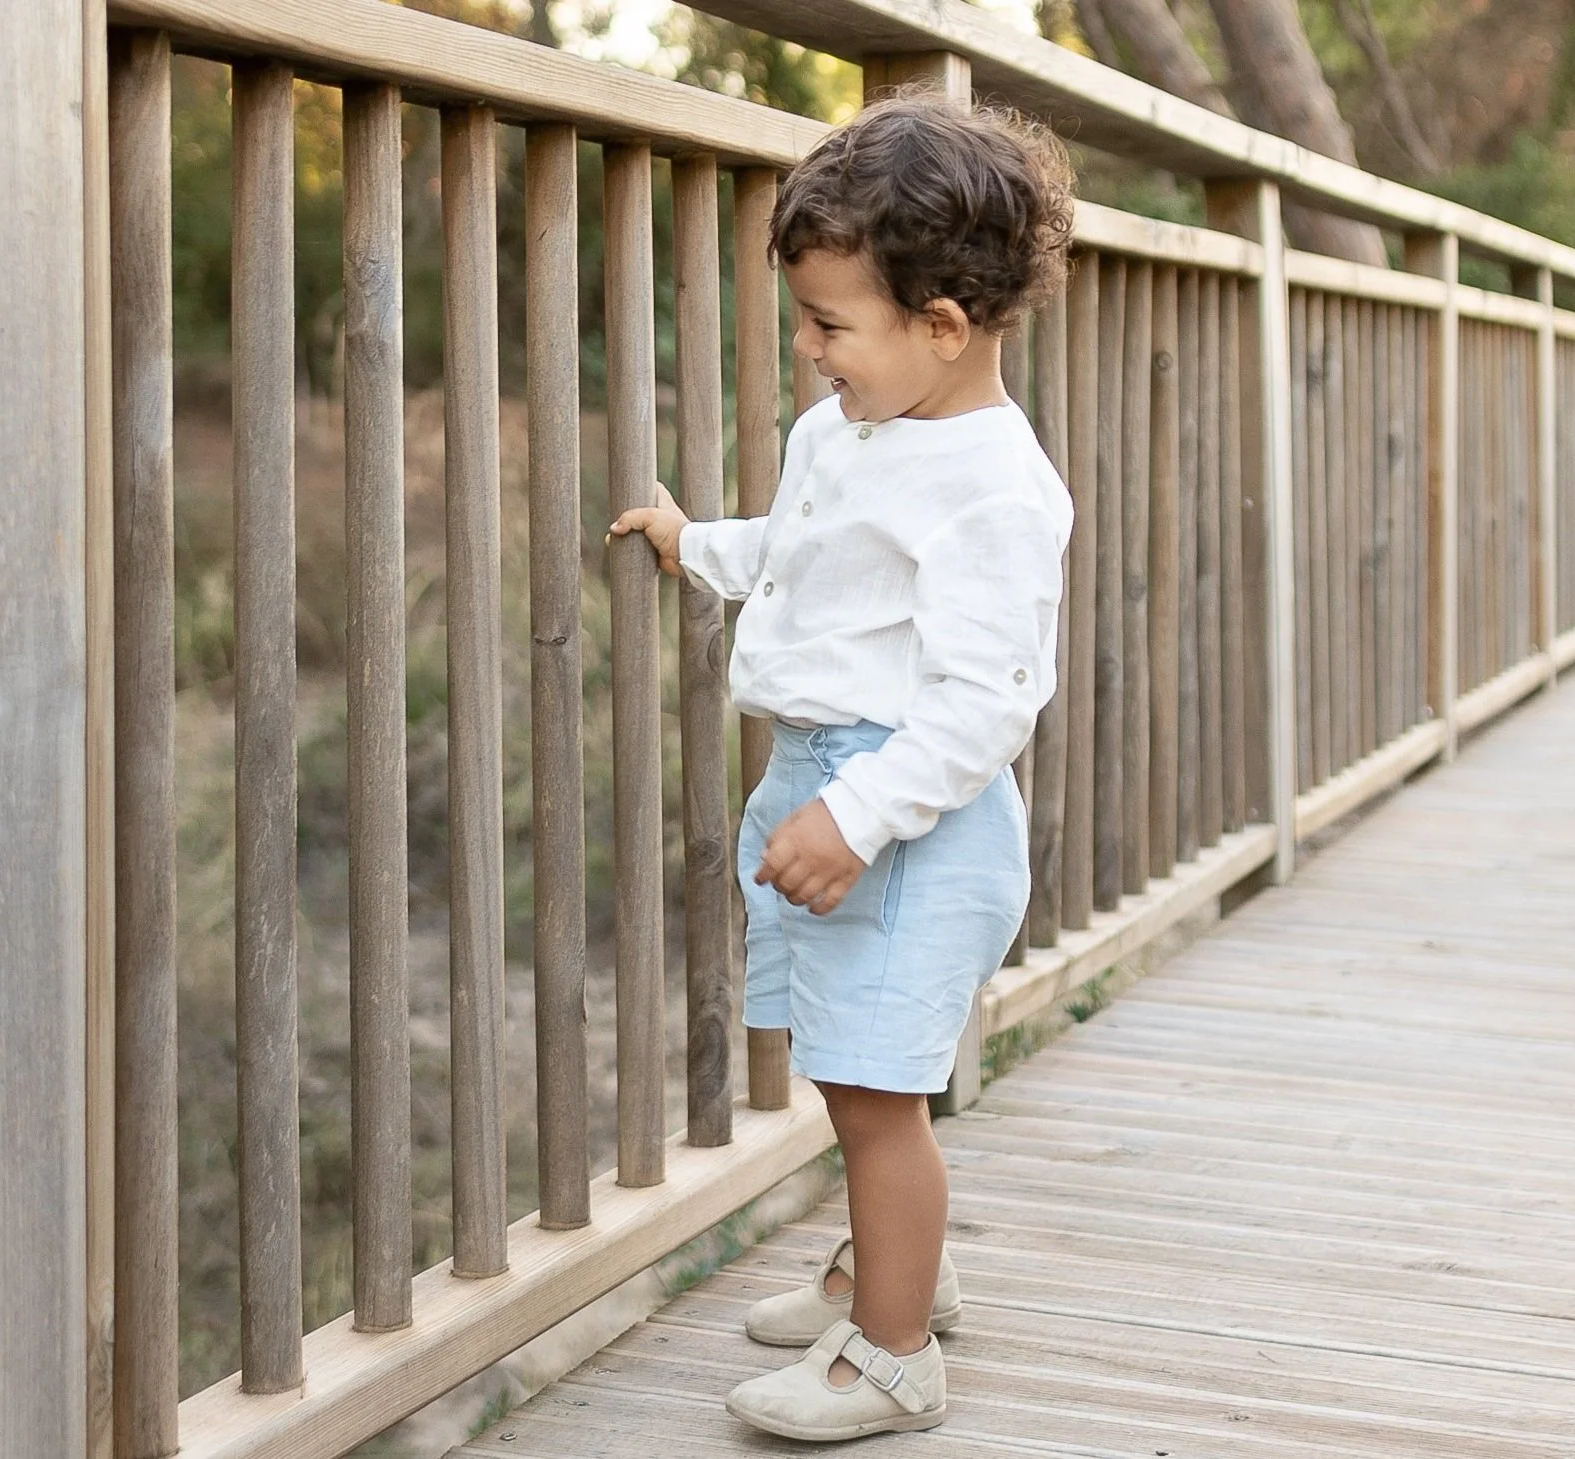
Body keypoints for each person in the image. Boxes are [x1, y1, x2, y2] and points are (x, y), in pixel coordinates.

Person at [608, 91, 1074, 1443]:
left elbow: (988, 700)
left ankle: (893, 1348)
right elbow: (811, 555)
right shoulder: (855, 429)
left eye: (829, 325)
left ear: (943, 326)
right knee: (849, 1067)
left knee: (878, 1094)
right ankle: (883, 1268)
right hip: (827, 777)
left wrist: (858, 815)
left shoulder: (992, 482)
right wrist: (699, 544)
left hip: (907, 808)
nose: (808, 351)